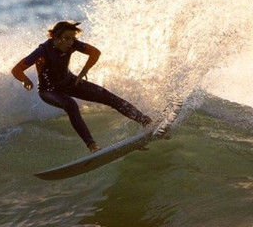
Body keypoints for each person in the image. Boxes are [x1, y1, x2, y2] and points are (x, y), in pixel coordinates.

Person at [11, 20, 152, 152]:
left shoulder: (72, 45)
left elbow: (95, 52)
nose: (70, 42)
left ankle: (146, 121)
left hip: (70, 82)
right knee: (71, 105)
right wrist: (25, 80)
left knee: (107, 96)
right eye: (66, 38)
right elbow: (16, 69)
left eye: (72, 38)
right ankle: (93, 146)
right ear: (55, 38)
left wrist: (84, 71)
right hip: (49, 90)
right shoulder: (42, 51)